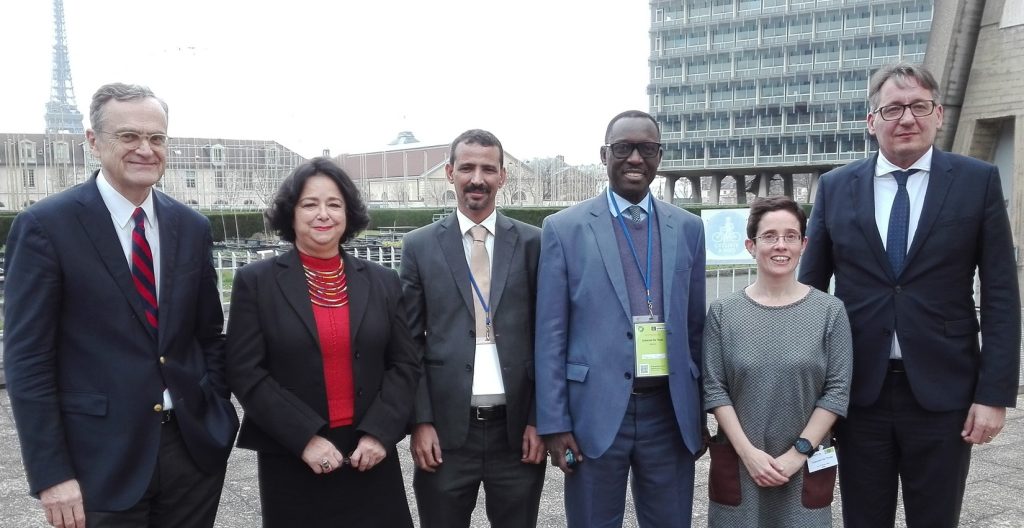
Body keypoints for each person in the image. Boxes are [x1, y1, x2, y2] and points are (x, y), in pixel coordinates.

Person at [3, 83, 238, 528]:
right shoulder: (45, 227)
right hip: (98, 460)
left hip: (191, 452)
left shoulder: (190, 227)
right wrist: (52, 473)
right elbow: (27, 359)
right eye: (129, 136)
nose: (145, 149)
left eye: (156, 138)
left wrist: (216, 409)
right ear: (93, 141)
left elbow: (208, 333)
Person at [800, 62, 1021, 527]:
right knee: (863, 518)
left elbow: (1001, 292)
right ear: (872, 120)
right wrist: (804, 389)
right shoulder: (837, 188)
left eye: (919, 106)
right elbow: (810, 294)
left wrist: (994, 393)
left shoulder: (976, 181)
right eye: (893, 108)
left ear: (938, 114)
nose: (907, 118)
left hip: (945, 394)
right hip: (858, 391)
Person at [225, 157, 420, 526]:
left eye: (334, 204)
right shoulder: (258, 282)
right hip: (294, 456)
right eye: (310, 204)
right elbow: (244, 370)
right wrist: (305, 438)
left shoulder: (382, 282)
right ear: (291, 213)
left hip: (370, 453)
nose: (323, 214)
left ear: (348, 213)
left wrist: (380, 433)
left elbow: (405, 364)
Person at [535, 110, 706, 527]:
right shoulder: (564, 228)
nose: (635, 158)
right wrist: (554, 424)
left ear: (659, 156)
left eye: (646, 149)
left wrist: (698, 412)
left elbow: (695, 329)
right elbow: (550, 334)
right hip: (593, 413)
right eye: (623, 148)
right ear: (604, 154)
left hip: (667, 413)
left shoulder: (689, 228)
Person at [399, 129, 545, 528]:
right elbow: (407, 343)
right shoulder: (420, 246)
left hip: (516, 434)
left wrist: (539, 418)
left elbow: (549, 338)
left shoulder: (535, 243)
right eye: (466, 167)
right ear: (450, 173)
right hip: (445, 434)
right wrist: (421, 421)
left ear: (503, 176)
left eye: (487, 168)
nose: (476, 178)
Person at [702, 196, 852, 527]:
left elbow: (837, 390)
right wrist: (748, 454)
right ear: (750, 245)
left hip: (805, 463)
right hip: (741, 465)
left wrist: (797, 453)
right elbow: (714, 388)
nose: (780, 245)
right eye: (769, 236)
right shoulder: (723, 313)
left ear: (803, 244)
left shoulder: (829, 312)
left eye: (790, 236)